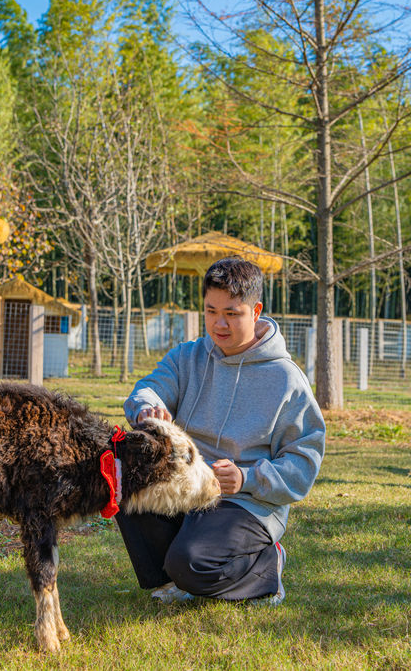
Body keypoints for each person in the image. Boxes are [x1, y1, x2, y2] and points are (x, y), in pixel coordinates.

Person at [117, 257, 325, 605]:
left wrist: (246, 478)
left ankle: (267, 566)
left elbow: (303, 462)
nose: (219, 323)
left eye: (232, 313)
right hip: (188, 484)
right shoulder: (188, 357)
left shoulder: (286, 379)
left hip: (244, 501)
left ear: (255, 311)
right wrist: (146, 408)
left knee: (191, 563)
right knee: (122, 470)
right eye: (211, 311)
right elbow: (148, 389)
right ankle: (175, 578)